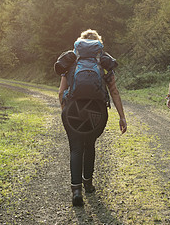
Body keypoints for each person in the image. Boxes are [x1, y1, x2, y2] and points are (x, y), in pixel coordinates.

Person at [56, 29, 127, 206]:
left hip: (73, 110)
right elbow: (115, 92)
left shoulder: (72, 62)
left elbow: (60, 92)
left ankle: (76, 191)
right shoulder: (102, 62)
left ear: (80, 44)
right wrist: (122, 117)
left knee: (75, 148)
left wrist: (66, 111)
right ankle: (88, 184)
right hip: (97, 113)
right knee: (90, 145)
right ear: (97, 45)